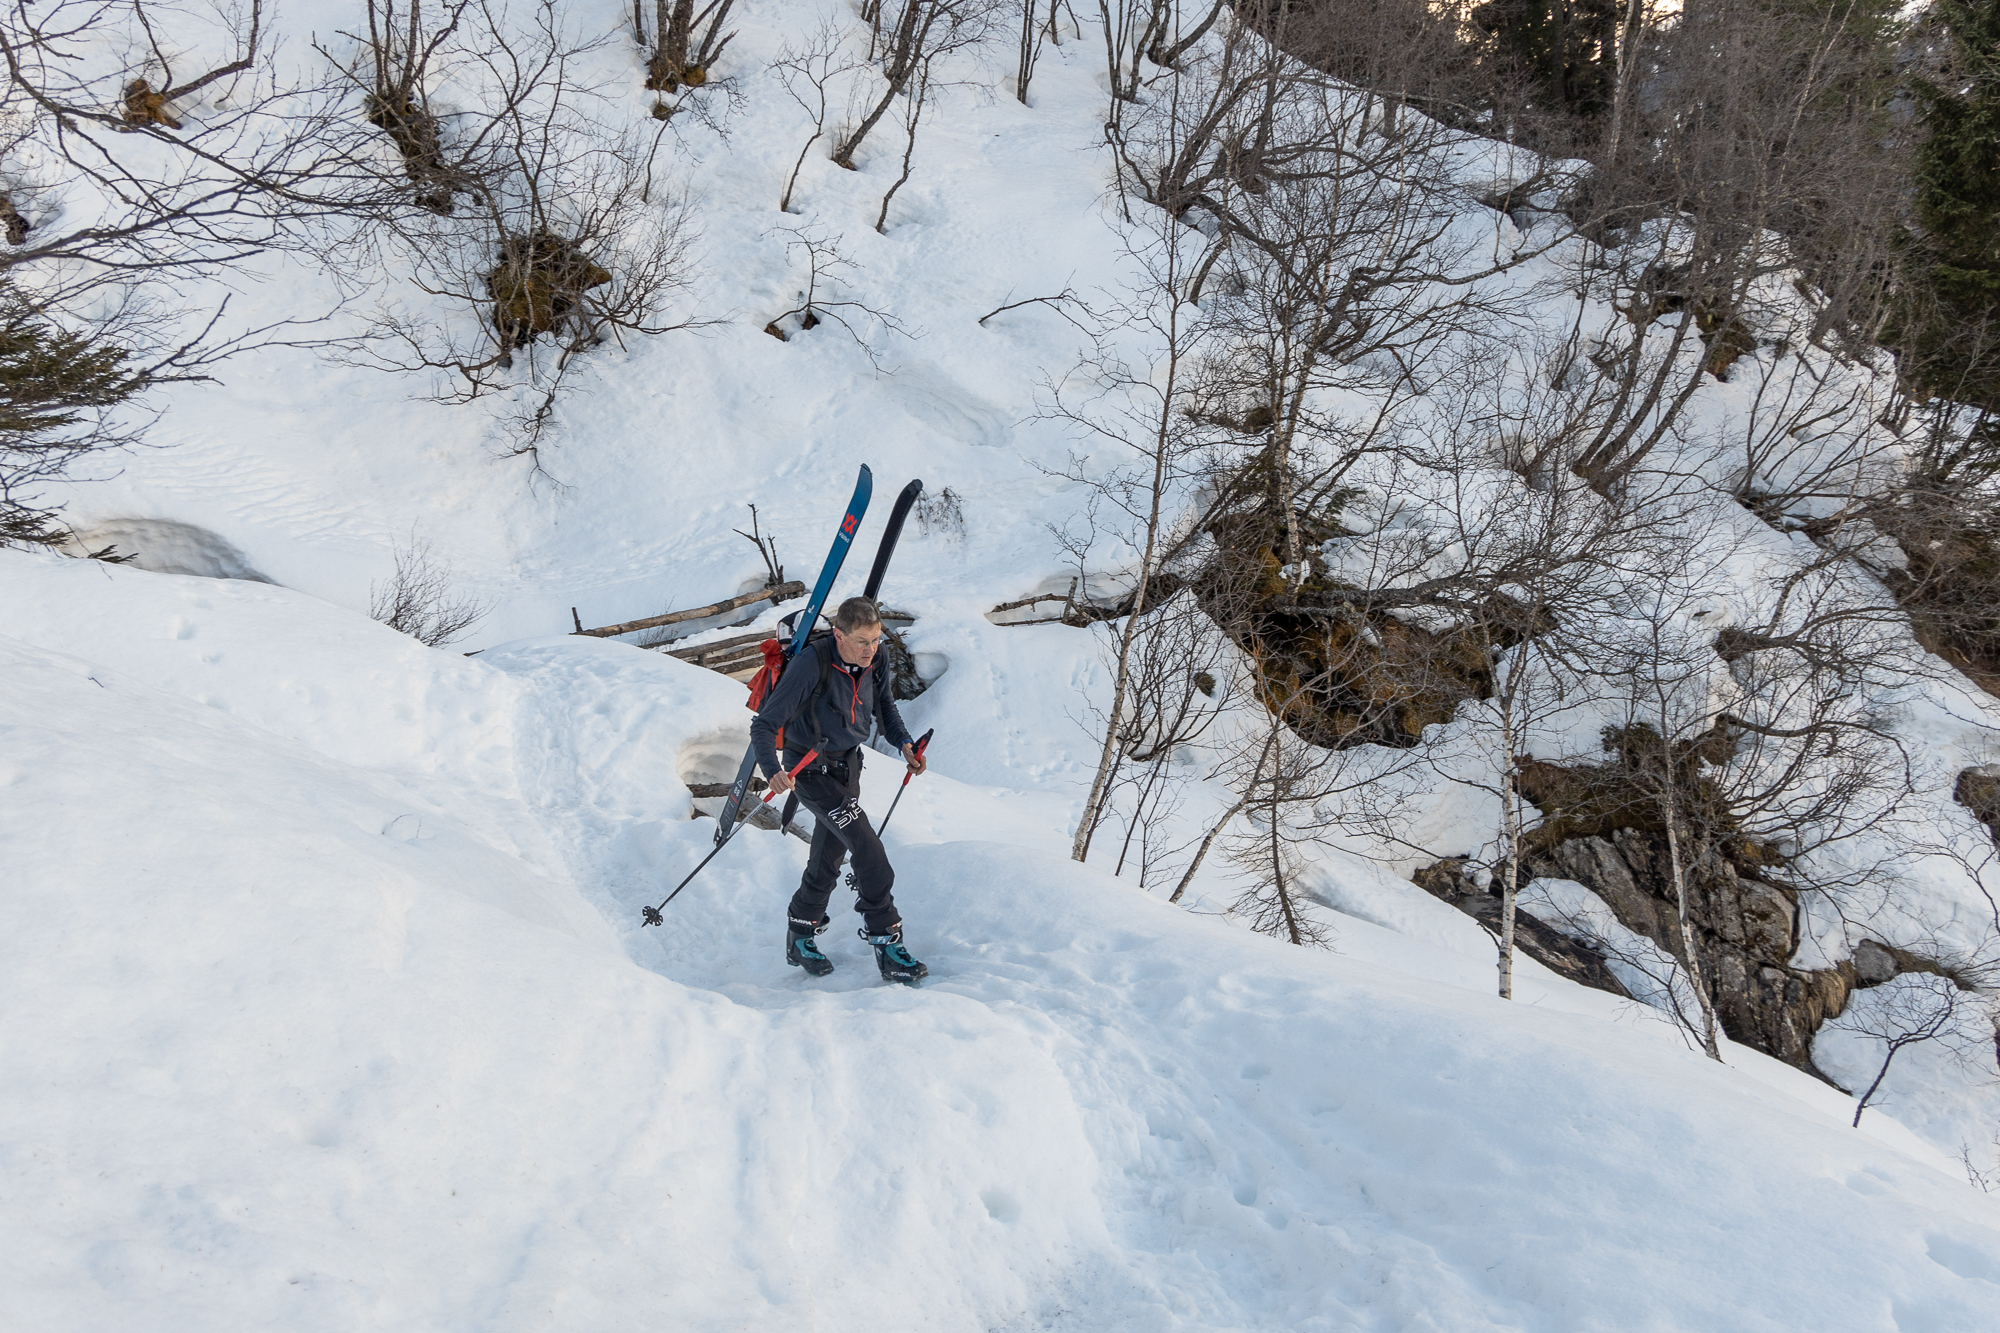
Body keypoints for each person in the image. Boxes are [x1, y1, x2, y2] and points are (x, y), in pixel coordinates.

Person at [750, 595, 929, 983]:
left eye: (877, 639)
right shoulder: (810, 663)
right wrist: (772, 770)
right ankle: (887, 941)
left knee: (828, 857)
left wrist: (905, 745)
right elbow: (763, 725)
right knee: (868, 849)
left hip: (848, 768)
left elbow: (885, 708)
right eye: (862, 641)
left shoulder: (875, 659)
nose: (871, 650)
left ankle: (800, 932)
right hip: (809, 771)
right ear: (839, 635)